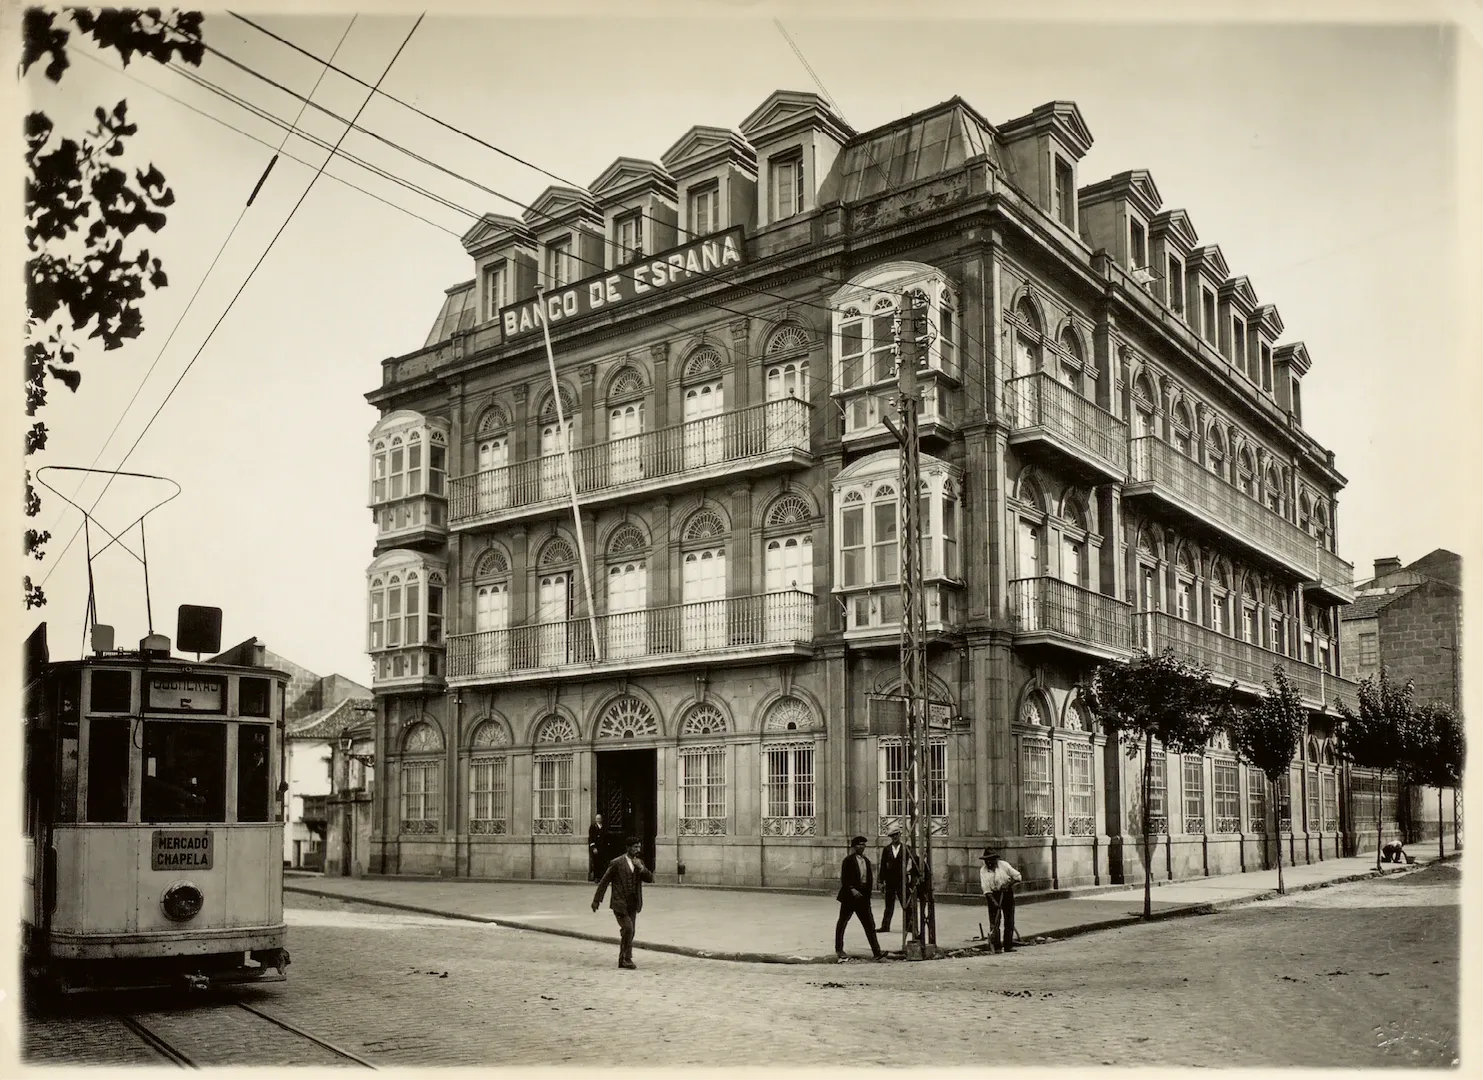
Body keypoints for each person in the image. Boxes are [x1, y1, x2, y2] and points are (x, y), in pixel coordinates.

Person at [592, 835, 653, 969]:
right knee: (628, 928)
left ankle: (623, 959)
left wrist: (641, 868)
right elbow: (604, 881)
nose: (638, 849)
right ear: (628, 848)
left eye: (639, 846)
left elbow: (650, 878)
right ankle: (627, 958)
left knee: (629, 931)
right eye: (635, 847)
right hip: (619, 902)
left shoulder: (639, 862)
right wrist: (597, 900)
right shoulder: (617, 863)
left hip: (633, 902)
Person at [836, 835, 885, 961]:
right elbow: (844, 879)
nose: (862, 847)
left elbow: (869, 880)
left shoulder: (866, 861)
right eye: (859, 845)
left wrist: (867, 896)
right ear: (854, 846)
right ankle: (839, 949)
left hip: (863, 898)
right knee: (842, 923)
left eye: (863, 845)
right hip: (849, 897)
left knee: (869, 925)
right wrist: (852, 889)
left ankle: (876, 951)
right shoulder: (848, 860)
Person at [979, 848, 1023, 953]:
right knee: (995, 923)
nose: (988, 862)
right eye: (986, 860)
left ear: (995, 859)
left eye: (991, 860)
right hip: (993, 895)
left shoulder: (1004, 865)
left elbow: (1018, 877)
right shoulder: (983, 870)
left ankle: (1008, 946)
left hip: (1007, 894)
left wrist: (1008, 884)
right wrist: (994, 903)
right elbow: (986, 889)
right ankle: (997, 946)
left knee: (1009, 921)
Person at [877, 827, 909, 934]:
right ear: (890, 837)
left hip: (902, 880)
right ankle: (885, 926)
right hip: (890, 881)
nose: (895, 837)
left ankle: (910, 926)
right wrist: (881, 881)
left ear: (900, 835)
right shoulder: (887, 849)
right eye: (892, 836)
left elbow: (914, 861)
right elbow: (882, 866)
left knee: (906, 904)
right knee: (889, 905)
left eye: (896, 835)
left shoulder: (906, 848)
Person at [587, 813, 605, 882]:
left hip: (602, 847)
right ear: (595, 819)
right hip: (596, 848)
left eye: (599, 818)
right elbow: (591, 838)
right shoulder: (593, 826)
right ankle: (596, 877)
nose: (598, 820)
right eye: (597, 818)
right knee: (596, 863)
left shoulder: (603, 826)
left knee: (602, 862)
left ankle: (601, 876)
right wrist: (593, 847)